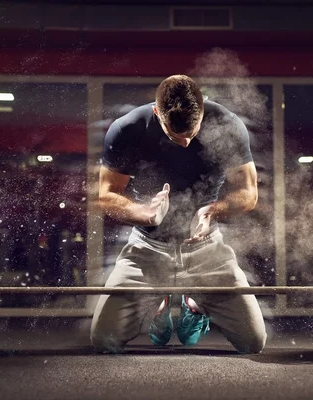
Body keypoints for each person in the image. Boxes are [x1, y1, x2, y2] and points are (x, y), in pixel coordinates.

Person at [91, 75, 267, 354]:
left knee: (254, 342)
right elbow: (106, 195)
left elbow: (248, 193)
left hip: (206, 249)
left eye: (192, 133)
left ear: (202, 111)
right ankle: (158, 304)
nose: (185, 143)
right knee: (103, 340)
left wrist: (213, 211)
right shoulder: (127, 129)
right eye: (175, 136)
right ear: (157, 112)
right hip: (147, 248)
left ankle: (192, 304)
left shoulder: (227, 125)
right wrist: (145, 212)